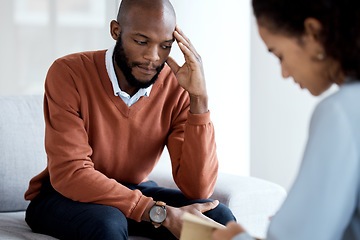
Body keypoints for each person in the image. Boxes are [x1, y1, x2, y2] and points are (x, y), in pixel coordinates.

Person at [24, 0, 235, 239]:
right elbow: (72, 173)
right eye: (141, 41)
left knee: (217, 217)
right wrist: (158, 212)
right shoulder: (68, 73)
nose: (153, 57)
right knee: (108, 223)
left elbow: (197, 188)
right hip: (64, 195)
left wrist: (199, 100)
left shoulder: (176, 87)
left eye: (165, 46)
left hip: (130, 191)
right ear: (116, 31)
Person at [213, 0, 360, 239]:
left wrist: (234, 238)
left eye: (278, 55)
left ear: (313, 32)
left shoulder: (340, 113)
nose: (284, 72)